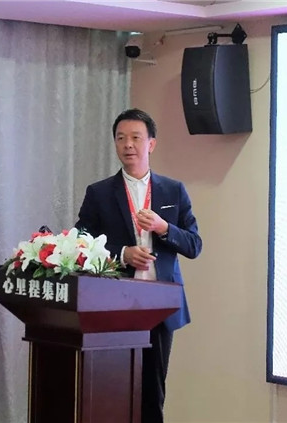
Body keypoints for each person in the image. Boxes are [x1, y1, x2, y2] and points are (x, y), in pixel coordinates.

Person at [75, 108, 202, 423]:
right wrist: (122, 254)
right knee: (112, 391)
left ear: (151, 144)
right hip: (113, 306)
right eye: (121, 138)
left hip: (160, 306)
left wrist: (163, 228)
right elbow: (81, 242)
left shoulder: (173, 190)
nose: (128, 145)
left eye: (135, 137)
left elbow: (194, 245)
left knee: (152, 394)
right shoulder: (99, 193)